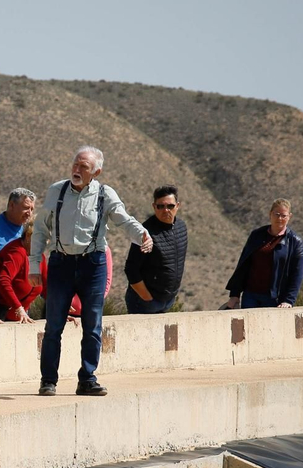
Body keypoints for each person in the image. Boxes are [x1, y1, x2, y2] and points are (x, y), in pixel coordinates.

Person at [29, 146, 153, 397]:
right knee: (54, 326)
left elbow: (123, 219)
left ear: (96, 171)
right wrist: (34, 265)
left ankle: (87, 378)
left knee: (93, 324)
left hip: (93, 264)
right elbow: (41, 229)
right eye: (75, 164)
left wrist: (142, 235)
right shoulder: (57, 190)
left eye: (83, 166)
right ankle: (48, 381)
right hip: (60, 263)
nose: (76, 169)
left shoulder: (105, 194)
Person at [225, 199, 303, 310]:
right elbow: (243, 265)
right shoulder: (256, 235)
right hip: (250, 296)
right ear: (270, 214)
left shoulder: (295, 242)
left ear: (289, 216)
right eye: (276, 214)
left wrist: (288, 300)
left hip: (275, 299)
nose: (280, 219)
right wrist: (235, 294)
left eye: (284, 215)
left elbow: (297, 274)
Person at [123, 185, 189, 314]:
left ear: (177, 206)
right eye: (161, 206)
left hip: (168, 300)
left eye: (170, 206)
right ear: (154, 207)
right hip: (145, 302)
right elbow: (131, 269)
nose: (165, 210)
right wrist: (146, 297)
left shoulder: (181, 227)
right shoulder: (145, 233)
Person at [0, 215, 41, 323]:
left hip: (21, 314)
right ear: (28, 236)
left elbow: (46, 284)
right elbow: (3, 280)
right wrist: (18, 308)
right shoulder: (16, 251)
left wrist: (61, 309)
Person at [0, 189, 37, 257]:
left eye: (32, 209)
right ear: (11, 205)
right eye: (26, 208)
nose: (29, 213)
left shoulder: (28, 232)